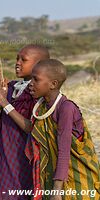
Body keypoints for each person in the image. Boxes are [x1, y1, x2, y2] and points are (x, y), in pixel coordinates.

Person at [25, 59, 100, 200]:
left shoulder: (66, 108)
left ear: (53, 84)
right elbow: (30, 129)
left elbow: (64, 149)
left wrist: (57, 191)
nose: (31, 83)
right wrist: (4, 104)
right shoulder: (41, 107)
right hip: (53, 174)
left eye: (36, 79)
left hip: (76, 177)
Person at [0, 44, 50, 200]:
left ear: (38, 65)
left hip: (22, 156)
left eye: (23, 59)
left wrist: (5, 103)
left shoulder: (38, 93)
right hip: (2, 152)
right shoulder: (11, 87)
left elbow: (30, 128)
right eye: (17, 58)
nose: (17, 62)